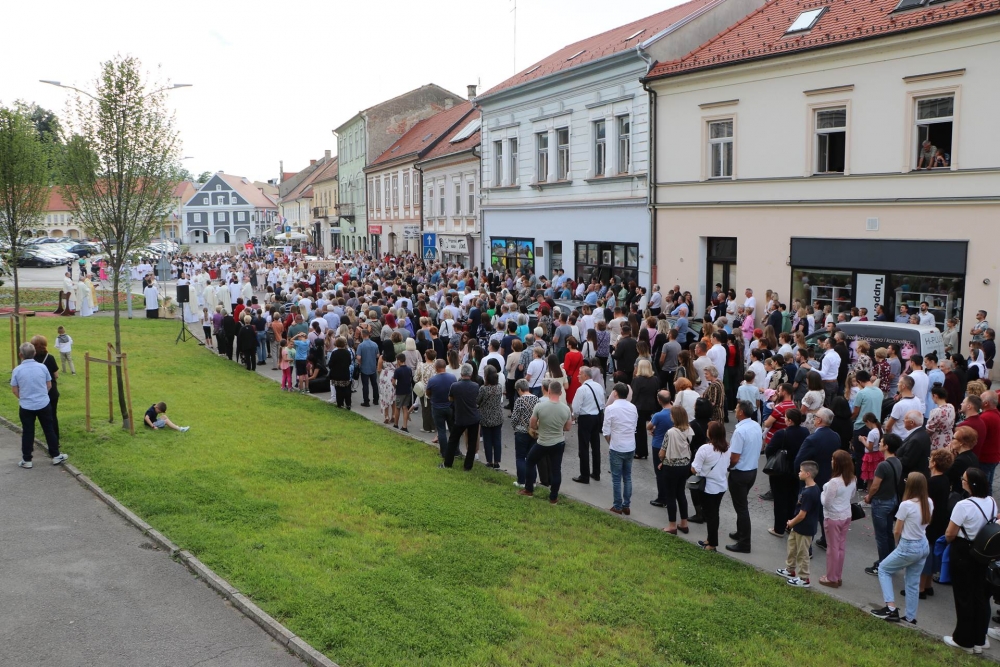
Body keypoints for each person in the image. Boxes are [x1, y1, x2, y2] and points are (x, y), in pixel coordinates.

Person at [943, 467, 997, 653]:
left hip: (963, 550)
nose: (962, 481)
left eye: (964, 479)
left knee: (964, 596)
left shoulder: (963, 505)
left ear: (971, 484)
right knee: (979, 596)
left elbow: (950, 533)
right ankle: (979, 639)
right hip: (983, 552)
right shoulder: (991, 501)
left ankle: (963, 640)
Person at [870, 473, 932, 624]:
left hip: (908, 545)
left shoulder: (906, 505)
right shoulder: (928, 502)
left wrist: (898, 546)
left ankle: (890, 608)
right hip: (923, 544)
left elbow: (897, 530)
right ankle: (910, 617)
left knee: (883, 569)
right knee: (912, 582)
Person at [11, 342, 66, 468]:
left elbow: (14, 390)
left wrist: (23, 397)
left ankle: (27, 459)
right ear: (34, 353)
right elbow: (49, 384)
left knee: (28, 431)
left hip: (26, 405)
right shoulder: (42, 367)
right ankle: (55, 455)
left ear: (20, 355)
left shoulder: (17, 370)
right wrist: (42, 395)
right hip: (43, 403)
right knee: (49, 429)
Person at [519, 380, 572, 503]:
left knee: (530, 461)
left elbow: (532, 424)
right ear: (560, 393)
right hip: (558, 442)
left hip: (542, 442)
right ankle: (553, 497)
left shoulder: (540, 406)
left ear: (549, 391)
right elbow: (568, 427)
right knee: (556, 469)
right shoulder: (566, 409)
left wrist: (539, 426)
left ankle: (529, 489)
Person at [776, 460, 820, 588]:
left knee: (802, 553)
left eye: (801, 471)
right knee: (792, 547)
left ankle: (804, 578)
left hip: (805, 528)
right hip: (798, 527)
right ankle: (790, 569)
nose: (798, 473)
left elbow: (802, 514)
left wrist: (791, 523)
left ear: (808, 474)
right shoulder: (806, 488)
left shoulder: (810, 492)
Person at [726, 400, 763, 553]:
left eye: (736, 408)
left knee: (741, 508)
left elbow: (734, 457)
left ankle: (744, 543)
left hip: (740, 473)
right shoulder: (756, 425)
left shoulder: (740, 431)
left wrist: (728, 467)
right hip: (752, 470)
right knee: (741, 505)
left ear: (741, 412)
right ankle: (740, 532)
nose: (735, 410)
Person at [864, 433, 904, 576]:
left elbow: (875, 486)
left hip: (881, 502)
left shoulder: (883, 465)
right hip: (892, 500)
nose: (879, 443)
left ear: (886, 446)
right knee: (888, 533)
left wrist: (869, 496)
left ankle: (882, 565)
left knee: (881, 536)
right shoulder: (897, 462)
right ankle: (889, 562)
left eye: (881, 442)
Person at [766, 408, 808, 537]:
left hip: (781, 470)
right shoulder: (805, 432)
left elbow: (769, 450)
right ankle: (790, 525)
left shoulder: (781, 434)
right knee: (793, 497)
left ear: (789, 420)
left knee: (780, 499)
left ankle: (779, 528)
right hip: (797, 470)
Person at [692, 421, 730, 552]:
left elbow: (695, 468)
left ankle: (712, 544)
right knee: (714, 513)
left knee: (711, 515)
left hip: (708, 487)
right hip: (721, 486)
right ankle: (710, 539)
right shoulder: (727, 448)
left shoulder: (705, 449)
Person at [820, 450, 856, 588]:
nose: (831, 462)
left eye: (833, 459)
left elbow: (826, 503)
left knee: (832, 548)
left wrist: (822, 494)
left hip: (833, 517)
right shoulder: (852, 479)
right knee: (840, 546)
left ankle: (831, 578)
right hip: (846, 515)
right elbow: (851, 495)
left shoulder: (834, 482)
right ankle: (838, 576)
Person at [921, 448, 953, 599]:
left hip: (930, 521)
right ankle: (928, 585)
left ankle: (920, 587)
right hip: (940, 520)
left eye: (931, 458)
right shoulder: (945, 480)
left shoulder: (931, 482)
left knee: (925, 555)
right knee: (933, 553)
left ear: (934, 463)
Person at [604, 382, 638, 515]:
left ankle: (617, 506)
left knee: (617, 478)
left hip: (617, 446)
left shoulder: (610, 408)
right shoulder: (633, 407)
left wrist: (611, 442)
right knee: (627, 476)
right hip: (630, 445)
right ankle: (626, 505)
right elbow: (634, 426)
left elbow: (606, 431)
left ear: (615, 393)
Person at [659, 404, 693, 535]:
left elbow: (662, 452)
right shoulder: (689, 430)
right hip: (685, 465)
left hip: (671, 466)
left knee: (670, 496)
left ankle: (672, 525)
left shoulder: (670, 432)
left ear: (675, 417)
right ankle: (684, 523)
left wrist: (661, 460)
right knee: (681, 494)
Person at [443, 364, 481, 470]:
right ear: (471, 374)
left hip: (460, 417)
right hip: (473, 417)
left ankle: (448, 463)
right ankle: (468, 466)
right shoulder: (476, 386)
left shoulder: (455, 386)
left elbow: (450, 398)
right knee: (472, 442)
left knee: (453, 440)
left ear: (461, 373)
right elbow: (477, 399)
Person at [571, 366, 605, 484]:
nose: (578, 376)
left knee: (584, 447)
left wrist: (574, 415)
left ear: (585, 376)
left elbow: (576, 408)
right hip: (597, 416)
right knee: (596, 446)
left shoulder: (582, 389)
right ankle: (596, 472)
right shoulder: (599, 386)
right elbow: (602, 403)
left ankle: (584, 475)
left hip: (585, 418)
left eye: (580, 374)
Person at [510, 379, 539, 487]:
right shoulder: (536, 399)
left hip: (521, 431)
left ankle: (522, 481)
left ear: (519, 389)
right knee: (531, 458)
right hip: (533, 432)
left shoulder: (520, 400)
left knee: (520, 457)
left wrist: (514, 427)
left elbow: (515, 417)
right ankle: (533, 481)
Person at [648, 390, 673, 507]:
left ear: (659, 400)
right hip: (672, 445)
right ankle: (670, 496)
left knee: (660, 473)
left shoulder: (658, 415)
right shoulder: (677, 412)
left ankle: (662, 498)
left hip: (659, 445)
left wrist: (653, 428)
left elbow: (649, 426)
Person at [630, 359, 659, 459]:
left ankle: (640, 451)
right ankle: (642, 451)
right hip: (650, 406)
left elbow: (634, 395)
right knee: (642, 429)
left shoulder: (637, 380)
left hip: (639, 406)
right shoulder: (655, 379)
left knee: (639, 430)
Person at [478, 366, 505, 468]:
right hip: (498, 416)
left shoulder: (483, 389)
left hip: (486, 417)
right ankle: (497, 462)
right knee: (497, 439)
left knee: (487, 440)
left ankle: (489, 461)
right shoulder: (499, 387)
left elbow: (478, 400)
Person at [328, 336, 353, 409]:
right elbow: (349, 362)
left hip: (336, 374)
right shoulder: (347, 353)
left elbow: (330, 364)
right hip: (345, 373)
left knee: (338, 389)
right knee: (346, 389)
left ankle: (340, 403)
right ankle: (348, 404)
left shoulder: (334, 353)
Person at [392, 353, 414, 432]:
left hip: (400, 391)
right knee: (405, 407)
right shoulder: (409, 369)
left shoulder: (397, 370)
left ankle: (396, 424)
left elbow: (393, 382)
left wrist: (395, 386)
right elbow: (410, 378)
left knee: (397, 407)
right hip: (408, 390)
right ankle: (404, 426)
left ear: (398, 361)